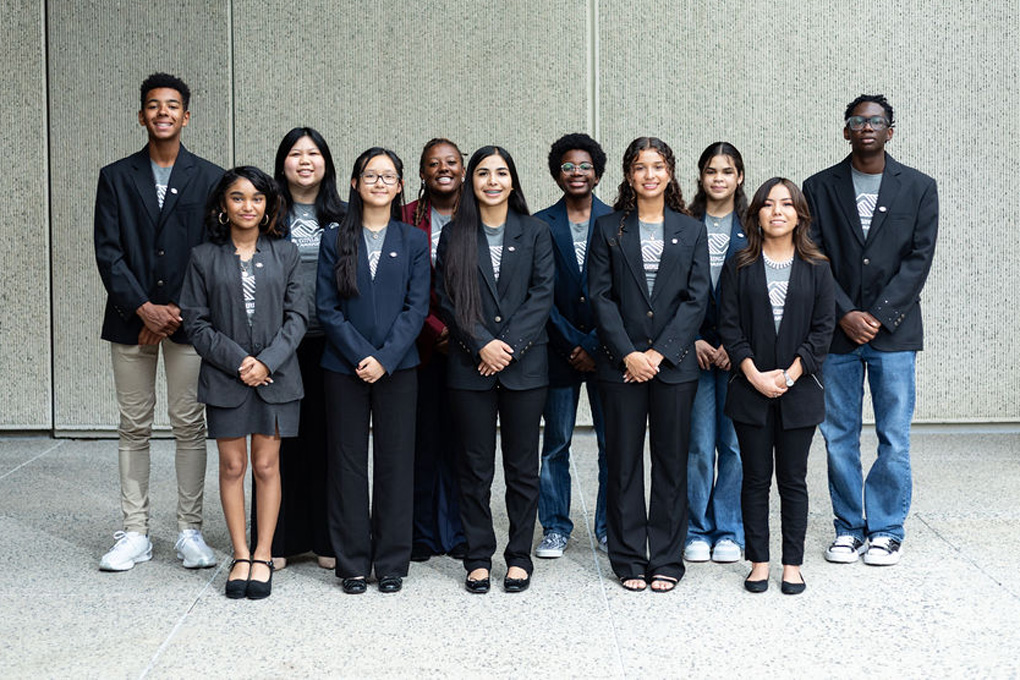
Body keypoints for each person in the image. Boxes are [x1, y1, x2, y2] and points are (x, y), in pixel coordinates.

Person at [93, 72, 223, 572]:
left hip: (190, 322)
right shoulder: (116, 176)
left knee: (190, 424)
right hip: (132, 319)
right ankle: (135, 532)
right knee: (134, 425)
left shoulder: (210, 177)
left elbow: (215, 253)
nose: (163, 112)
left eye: (172, 106)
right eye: (153, 105)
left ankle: (190, 530)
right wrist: (144, 307)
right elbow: (108, 251)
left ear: (186, 116)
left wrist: (176, 313)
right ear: (142, 114)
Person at [804, 94, 938, 567]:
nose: (867, 127)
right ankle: (848, 527)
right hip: (837, 334)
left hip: (894, 335)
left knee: (893, 436)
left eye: (876, 121)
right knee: (838, 433)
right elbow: (813, 254)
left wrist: (877, 315)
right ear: (845, 131)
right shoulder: (818, 187)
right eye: (858, 121)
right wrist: (843, 312)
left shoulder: (920, 187)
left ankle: (885, 530)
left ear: (890, 131)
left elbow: (918, 260)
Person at [588, 137, 709, 592]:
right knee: (622, 463)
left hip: (674, 366)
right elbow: (599, 297)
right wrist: (631, 354)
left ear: (671, 173)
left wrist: (659, 353)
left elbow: (697, 299)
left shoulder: (691, 229)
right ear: (628, 175)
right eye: (640, 167)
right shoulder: (608, 229)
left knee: (670, 461)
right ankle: (627, 557)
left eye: (658, 166)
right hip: (621, 365)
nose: (650, 174)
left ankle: (665, 558)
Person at [180, 166, 307, 600]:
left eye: (256, 198)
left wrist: (266, 361)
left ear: (268, 205)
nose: (247, 206)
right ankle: (240, 553)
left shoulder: (286, 253)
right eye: (237, 198)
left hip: (277, 377)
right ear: (223, 205)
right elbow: (196, 323)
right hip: (226, 379)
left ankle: (264, 553)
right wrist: (241, 363)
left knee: (267, 466)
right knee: (234, 467)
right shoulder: (203, 257)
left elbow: (298, 317)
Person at [435, 146, 554, 594]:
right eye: (483, 173)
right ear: (471, 181)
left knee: (523, 468)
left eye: (501, 173)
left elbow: (542, 295)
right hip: (471, 367)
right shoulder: (454, 235)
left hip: (525, 367)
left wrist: (508, 347)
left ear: (512, 180)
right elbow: (447, 299)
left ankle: (519, 556)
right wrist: (482, 344)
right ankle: (478, 556)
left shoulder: (536, 232)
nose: (492, 181)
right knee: (475, 467)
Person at [317, 147, 430, 594]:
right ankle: (352, 563)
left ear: (400, 186)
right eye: (371, 175)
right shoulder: (335, 238)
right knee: (347, 465)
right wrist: (362, 355)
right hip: (343, 368)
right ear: (354, 184)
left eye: (388, 177)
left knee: (395, 463)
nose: (380, 183)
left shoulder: (413, 240)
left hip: (399, 368)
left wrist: (384, 358)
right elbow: (327, 308)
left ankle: (391, 562)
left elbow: (416, 307)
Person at [718, 178, 835, 595]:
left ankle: (792, 563)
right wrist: (753, 374)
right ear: (757, 215)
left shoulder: (818, 267)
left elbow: (823, 331)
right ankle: (759, 562)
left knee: (793, 479)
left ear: (800, 214)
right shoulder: (740, 264)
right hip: (749, 388)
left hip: (799, 390)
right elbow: (729, 326)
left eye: (787, 204)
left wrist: (789, 375)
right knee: (754, 479)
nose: (777, 211)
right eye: (768, 205)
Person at [249, 127, 345, 571]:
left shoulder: (345, 216)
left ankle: (328, 537)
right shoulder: (264, 215)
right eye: (294, 153)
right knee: (278, 444)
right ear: (281, 163)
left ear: (326, 163)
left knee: (329, 442)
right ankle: (280, 539)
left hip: (332, 342)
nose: (304, 160)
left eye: (313, 153)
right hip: (279, 345)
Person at [533, 133, 612, 558]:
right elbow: (538, 293)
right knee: (557, 443)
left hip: (608, 351)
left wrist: (596, 343)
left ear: (597, 172)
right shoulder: (540, 224)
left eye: (584, 166)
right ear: (556, 172)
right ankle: (556, 526)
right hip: (557, 350)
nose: (576, 173)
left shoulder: (617, 220)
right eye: (568, 166)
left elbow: (621, 294)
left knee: (610, 444)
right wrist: (571, 343)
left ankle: (606, 527)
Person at [402, 138, 468, 562]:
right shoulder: (407, 217)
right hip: (422, 346)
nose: (443, 169)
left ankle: (460, 532)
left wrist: (462, 334)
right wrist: (435, 329)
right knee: (423, 443)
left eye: (451, 162)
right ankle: (423, 532)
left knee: (465, 446)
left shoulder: (482, 212)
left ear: (462, 169)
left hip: (471, 350)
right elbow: (401, 285)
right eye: (433, 164)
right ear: (422, 172)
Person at [683, 142, 749, 564]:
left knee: (735, 445)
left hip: (740, 352)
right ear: (701, 177)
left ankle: (729, 529)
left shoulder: (755, 226)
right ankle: (695, 529)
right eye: (711, 171)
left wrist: (733, 345)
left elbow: (763, 294)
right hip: (693, 348)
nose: (718, 179)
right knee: (698, 445)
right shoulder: (684, 224)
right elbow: (670, 292)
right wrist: (691, 340)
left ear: (739, 177)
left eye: (727, 171)